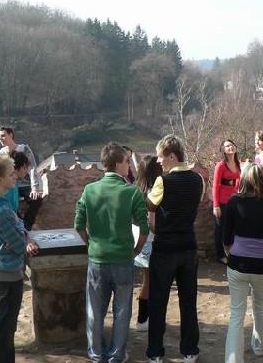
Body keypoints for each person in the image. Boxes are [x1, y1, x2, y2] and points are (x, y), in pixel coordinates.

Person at [74, 142, 149, 363]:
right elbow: (144, 228)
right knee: (122, 311)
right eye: (126, 161)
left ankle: (96, 354)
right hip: (123, 258)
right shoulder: (131, 192)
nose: (128, 165)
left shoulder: (90, 190)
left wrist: (90, 244)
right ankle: (117, 355)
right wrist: (136, 250)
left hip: (97, 258)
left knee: (95, 311)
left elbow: (78, 224)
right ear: (117, 164)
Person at [146, 134, 205, 363]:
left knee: (158, 302)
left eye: (161, 157)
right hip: (189, 246)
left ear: (172, 156)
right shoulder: (198, 180)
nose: (158, 161)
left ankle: (155, 353)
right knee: (188, 301)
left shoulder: (163, 181)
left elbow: (150, 204)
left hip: (165, 248)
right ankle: (190, 350)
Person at [0, 154, 39, 363]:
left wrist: (18, 232)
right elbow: (20, 244)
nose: (15, 177)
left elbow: (18, 227)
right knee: (5, 327)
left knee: (2, 322)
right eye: (11, 174)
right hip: (7, 272)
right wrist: (23, 239)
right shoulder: (2, 210)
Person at [223, 163, 263, 363]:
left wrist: (231, 253)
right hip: (262, 264)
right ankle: (260, 347)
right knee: (260, 307)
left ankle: (233, 359)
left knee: (236, 313)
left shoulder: (233, 202)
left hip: (237, 262)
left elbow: (226, 237)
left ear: (243, 179)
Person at [132, 155, 163, 331]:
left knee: (148, 281)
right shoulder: (153, 191)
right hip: (151, 241)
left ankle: (144, 318)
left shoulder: (136, 189)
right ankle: (144, 319)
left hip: (139, 239)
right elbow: (153, 224)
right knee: (151, 282)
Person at [0, 126, 43, 230]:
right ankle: (20, 226)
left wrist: (35, 187)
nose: (0, 139)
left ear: (11, 135)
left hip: (25, 184)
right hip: (10, 186)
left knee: (37, 198)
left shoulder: (23, 149)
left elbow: (32, 167)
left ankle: (26, 225)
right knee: (9, 203)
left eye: (3, 136)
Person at [212, 139, 241, 265]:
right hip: (222, 202)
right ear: (223, 150)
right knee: (220, 229)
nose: (230, 147)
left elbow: (238, 181)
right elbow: (215, 186)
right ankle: (220, 255)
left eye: (232, 145)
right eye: (227, 146)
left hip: (234, 201)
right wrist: (216, 205)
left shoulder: (238, 163)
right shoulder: (221, 165)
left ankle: (232, 253)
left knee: (233, 228)